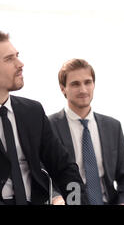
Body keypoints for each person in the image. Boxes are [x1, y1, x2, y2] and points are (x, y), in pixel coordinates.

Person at [0, 31, 87, 205]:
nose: (20, 64)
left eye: (17, 56)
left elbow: (65, 168)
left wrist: (74, 202)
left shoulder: (32, 112)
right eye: (9, 59)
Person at [48, 58, 124, 205]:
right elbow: (43, 174)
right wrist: (56, 199)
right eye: (75, 84)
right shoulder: (49, 126)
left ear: (94, 84)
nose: (83, 90)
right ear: (63, 88)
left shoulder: (113, 126)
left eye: (87, 82)